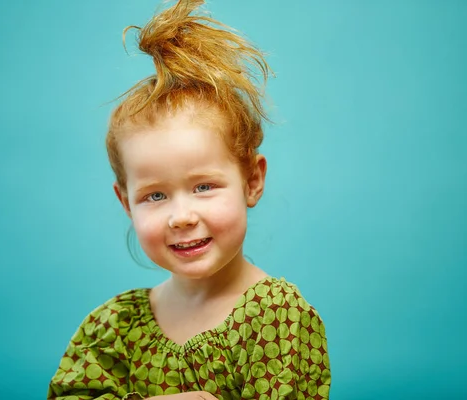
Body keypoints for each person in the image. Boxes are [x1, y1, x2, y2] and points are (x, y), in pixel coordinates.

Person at [47, 0, 331, 399]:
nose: (181, 216)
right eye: (155, 195)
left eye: (203, 187)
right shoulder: (111, 329)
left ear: (252, 180)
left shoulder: (278, 317)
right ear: (126, 203)